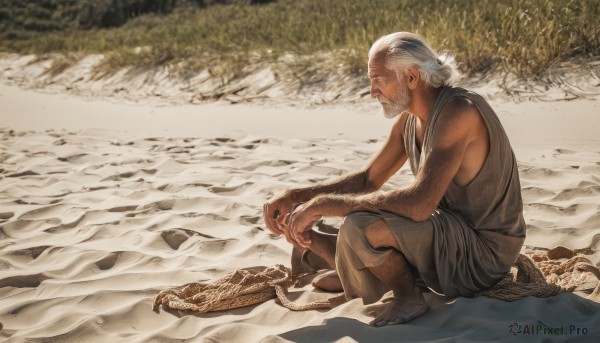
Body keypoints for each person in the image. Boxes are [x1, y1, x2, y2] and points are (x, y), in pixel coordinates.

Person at [262, 32, 526, 327]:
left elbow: (419, 206)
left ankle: (405, 296)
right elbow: (368, 179)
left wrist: (325, 204)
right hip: (445, 231)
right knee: (315, 220)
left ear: (412, 77)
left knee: (359, 225)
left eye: (378, 79)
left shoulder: (459, 112)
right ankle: (349, 263)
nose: (373, 91)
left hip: (482, 254)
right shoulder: (410, 117)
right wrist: (298, 196)